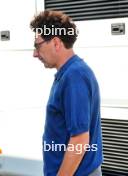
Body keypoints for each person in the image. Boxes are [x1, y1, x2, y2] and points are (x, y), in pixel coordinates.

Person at [30, 11, 103, 176]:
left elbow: (79, 139)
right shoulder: (70, 73)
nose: (35, 54)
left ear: (56, 42)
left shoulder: (74, 76)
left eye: (37, 45)